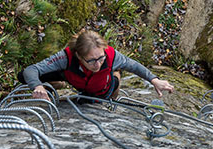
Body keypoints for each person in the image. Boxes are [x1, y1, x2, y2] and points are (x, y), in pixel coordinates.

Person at [18, 30, 174, 102]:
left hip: (102, 88)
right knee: (24, 77)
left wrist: (154, 80)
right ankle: (56, 84)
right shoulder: (67, 57)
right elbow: (31, 70)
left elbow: (133, 65)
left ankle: (116, 74)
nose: (98, 64)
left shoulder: (110, 55)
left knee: (98, 97)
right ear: (79, 56)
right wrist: (37, 86)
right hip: (77, 78)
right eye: (91, 60)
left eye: (100, 58)